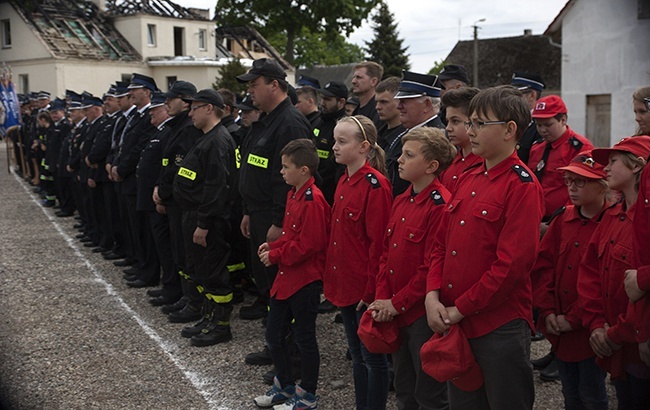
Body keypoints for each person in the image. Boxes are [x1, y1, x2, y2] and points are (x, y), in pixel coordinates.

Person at [425, 86, 543, 410]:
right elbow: (440, 245)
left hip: (497, 327)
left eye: (479, 124)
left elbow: (512, 266)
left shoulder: (522, 185)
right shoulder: (468, 176)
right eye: (470, 123)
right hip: (455, 320)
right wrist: (432, 294)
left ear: (509, 130)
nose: (470, 131)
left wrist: (460, 307)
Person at [369, 127, 454, 409]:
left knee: (429, 392)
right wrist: (383, 299)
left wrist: (396, 303)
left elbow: (431, 267)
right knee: (404, 386)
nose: (399, 160)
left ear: (431, 166)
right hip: (396, 309)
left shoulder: (440, 206)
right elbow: (386, 255)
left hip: (419, 314)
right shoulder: (402, 199)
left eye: (408, 155)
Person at [253, 139, 330, 410]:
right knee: (274, 334)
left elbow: (310, 244)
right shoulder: (294, 194)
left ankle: (307, 394)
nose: (282, 172)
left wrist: (275, 255)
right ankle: (284, 385)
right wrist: (273, 246)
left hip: (304, 280)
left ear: (305, 170)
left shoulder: (313, 200)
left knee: (304, 337)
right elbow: (291, 235)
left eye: (286, 167)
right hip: (287, 278)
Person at [532, 151, 612, 409]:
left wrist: (575, 319)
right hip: (559, 328)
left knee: (593, 394)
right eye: (569, 181)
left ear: (602, 185)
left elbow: (605, 282)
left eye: (581, 181)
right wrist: (547, 311)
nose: (572, 188)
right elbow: (543, 267)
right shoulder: (562, 220)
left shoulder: (611, 223)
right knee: (571, 394)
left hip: (589, 330)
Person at [324, 115, 392, 410]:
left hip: (363, 288)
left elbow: (379, 245)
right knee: (356, 352)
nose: (334, 147)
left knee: (372, 357)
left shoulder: (375, 186)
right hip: (344, 282)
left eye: (342, 141)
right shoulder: (344, 180)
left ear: (364, 146)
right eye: (335, 140)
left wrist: (372, 292)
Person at [578, 136, 650, 409]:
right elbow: (590, 273)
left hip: (636, 346)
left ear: (636, 166)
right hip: (613, 343)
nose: (605, 168)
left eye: (613, 161)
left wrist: (614, 334)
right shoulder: (611, 216)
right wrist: (596, 325)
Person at [172, 89, 238, 347]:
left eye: (195, 108)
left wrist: (203, 223)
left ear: (209, 108)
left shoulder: (218, 141)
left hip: (208, 220)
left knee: (214, 272)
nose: (190, 114)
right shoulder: (207, 138)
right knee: (201, 270)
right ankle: (208, 317)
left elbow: (217, 187)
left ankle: (221, 326)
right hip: (195, 215)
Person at [528, 95, 594, 223]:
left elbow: (585, 190)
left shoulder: (580, 148)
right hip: (535, 216)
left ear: (563, 120)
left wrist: (558, 222)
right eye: (539, 125)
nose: (542, 130)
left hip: (564, 219)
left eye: (548, 125)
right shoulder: (536, 147)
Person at [388, 71, 445, 197]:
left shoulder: (438, 138)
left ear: (427, 104)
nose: (398, 106)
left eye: (405, 101)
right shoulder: (408, 131)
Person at [438, 87, 482, 194]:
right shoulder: (449, 163)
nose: (448, 128)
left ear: (475, 121)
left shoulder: (485, 165)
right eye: (448, 121)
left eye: (455, 121)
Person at [314, 81, 348, 204]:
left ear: (341, 102)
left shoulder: (344, 127)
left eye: (328, 99)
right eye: (322, 98)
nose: (323, 103)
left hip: (330, 194)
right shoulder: (318, 122)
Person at [511, 72, 546, 164]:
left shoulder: (540, 125)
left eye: (517, 94)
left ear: (532, 95)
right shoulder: (512, 119)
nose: (512, 99)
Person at [374, 77, 404, 151]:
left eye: (384, 102)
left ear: (400, 102)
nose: (377, 107)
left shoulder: (406, 139)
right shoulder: (377, 134)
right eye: (377, 102)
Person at [351, 61, 383, 127]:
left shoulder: (378, 111)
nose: (353, 81)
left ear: (373, 81)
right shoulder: (356, 111)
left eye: (359, 77)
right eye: (353, 77)